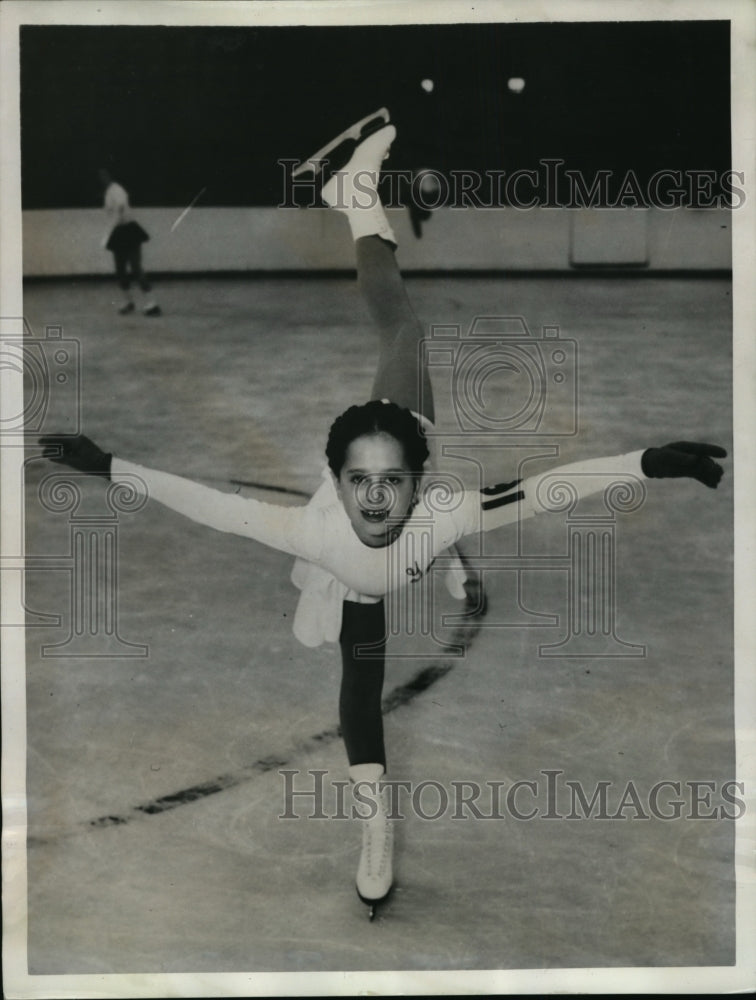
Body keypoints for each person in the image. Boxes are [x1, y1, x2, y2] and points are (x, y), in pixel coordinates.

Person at [44, 119, 726, 920]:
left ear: (418, 481)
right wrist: (112, 467)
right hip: (363, 548)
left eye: (391, 484)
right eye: (359, 482)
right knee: (401, 337)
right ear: (336, 480)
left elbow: (545, 489)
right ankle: (378, 823)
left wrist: (647, 461)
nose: (374, 499)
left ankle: (355, 197)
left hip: (404, 481)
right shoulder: (323, 530)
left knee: (408, 331)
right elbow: (212, 506)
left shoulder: (438, 508)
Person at [98, 168, 161, 317]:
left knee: (135, 268)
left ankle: (153, 303)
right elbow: (111, 212)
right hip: (119, 232)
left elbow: (120, 208)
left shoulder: (117, 190)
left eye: (104, 175)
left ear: (110, 176)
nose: (102, 178)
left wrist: (109, 231)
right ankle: (128, 301)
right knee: (120, 270)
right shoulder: (107, 193)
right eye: (100, 176)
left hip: (128, 231)